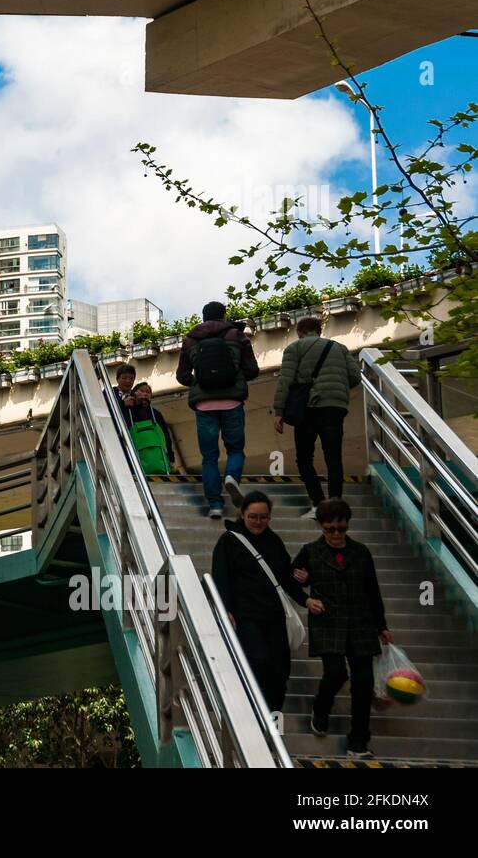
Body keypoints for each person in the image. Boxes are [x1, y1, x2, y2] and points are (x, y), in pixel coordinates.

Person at [291, 498, 392, 758]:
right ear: (321, 527)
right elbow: (290, 579)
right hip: (327, 623)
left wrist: (382, 625)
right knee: (336, 673)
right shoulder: (309, 551)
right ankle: (320, 708)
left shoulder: (361, 552)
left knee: (363, 683)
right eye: (330, 529)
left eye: (341, 528)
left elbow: (373, 590)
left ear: (347, 525)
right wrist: (306, 598)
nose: (336, 534)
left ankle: (358, 743)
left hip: (361, 624)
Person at [212, 491, 314, 714]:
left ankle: (273, 723)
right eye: (253, 517)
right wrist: (225, 609)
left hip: (274, 616)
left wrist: (305, 597)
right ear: (243, 515)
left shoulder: (273, 540)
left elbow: (285, 577)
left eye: (263, 517)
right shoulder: (229, 541)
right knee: (258, 660)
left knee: (280, 671)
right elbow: (221, 577)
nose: (258, 522)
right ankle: (251, 715)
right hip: (245, 615)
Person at [176, 301, 259, 519]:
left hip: (204, 405)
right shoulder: (236, 335)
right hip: (232, 401)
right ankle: (231, 476)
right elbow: (252, 370)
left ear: (203, 317)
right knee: (235, 449)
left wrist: (199, 381)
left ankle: (215, 504)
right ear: (224, 316)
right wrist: (235, 375)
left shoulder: (190, 340)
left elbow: (182, 376)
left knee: (209, 457)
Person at [273, 316, 360, 519]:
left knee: (304, 458)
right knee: (333, 458)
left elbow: (285, 380)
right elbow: (355, 377)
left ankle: (318, 504)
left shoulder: (295, 348)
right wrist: (335, 389)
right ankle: (336, 505)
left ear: (300, 332)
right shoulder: (339, 348)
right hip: (335, 408)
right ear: (319, 331)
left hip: (308, 409)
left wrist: (279, 411)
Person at [126, 382, 174, 474]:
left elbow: (166, 435)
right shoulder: (128, 411)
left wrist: (171, 457)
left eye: (148, 392)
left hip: (159, 457)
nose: (145, 394)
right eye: (141, 391)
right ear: (134, 393)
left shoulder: (156, 414)